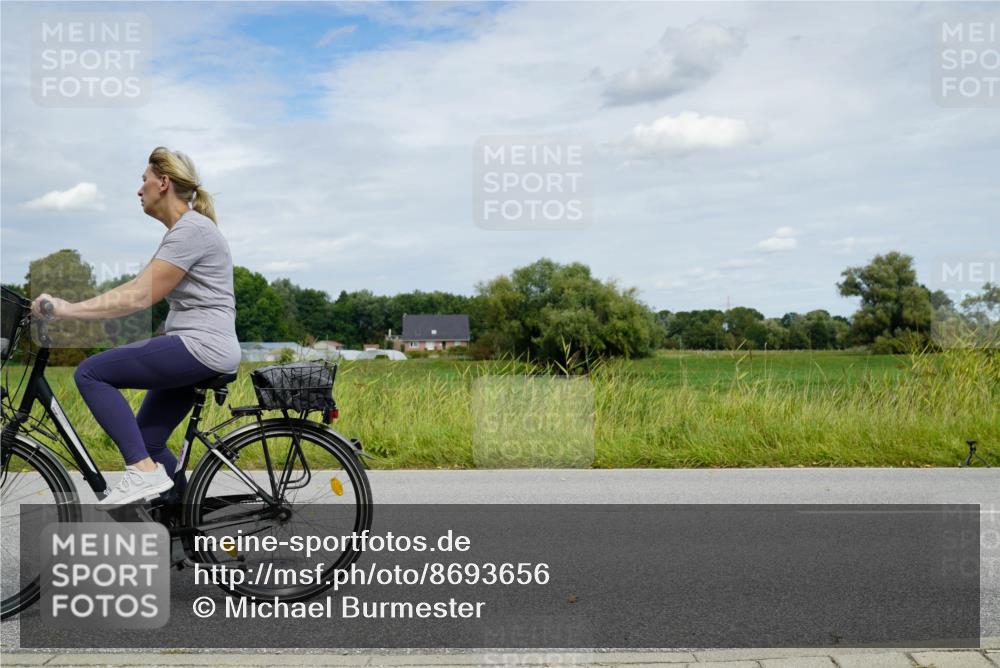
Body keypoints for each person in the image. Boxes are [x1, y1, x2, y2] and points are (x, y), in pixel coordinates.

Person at [31, 147, 241, 509]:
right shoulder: (185, 230)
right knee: (150, 443)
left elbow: (138, 296)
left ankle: (142, 472)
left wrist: (68, 309)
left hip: (200, 348)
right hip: (199, 346)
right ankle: (188, 527)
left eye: (143, 180)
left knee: (91, 372)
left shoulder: (191, 230)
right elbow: (140, 288)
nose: (138, 190)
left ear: (163, 183)